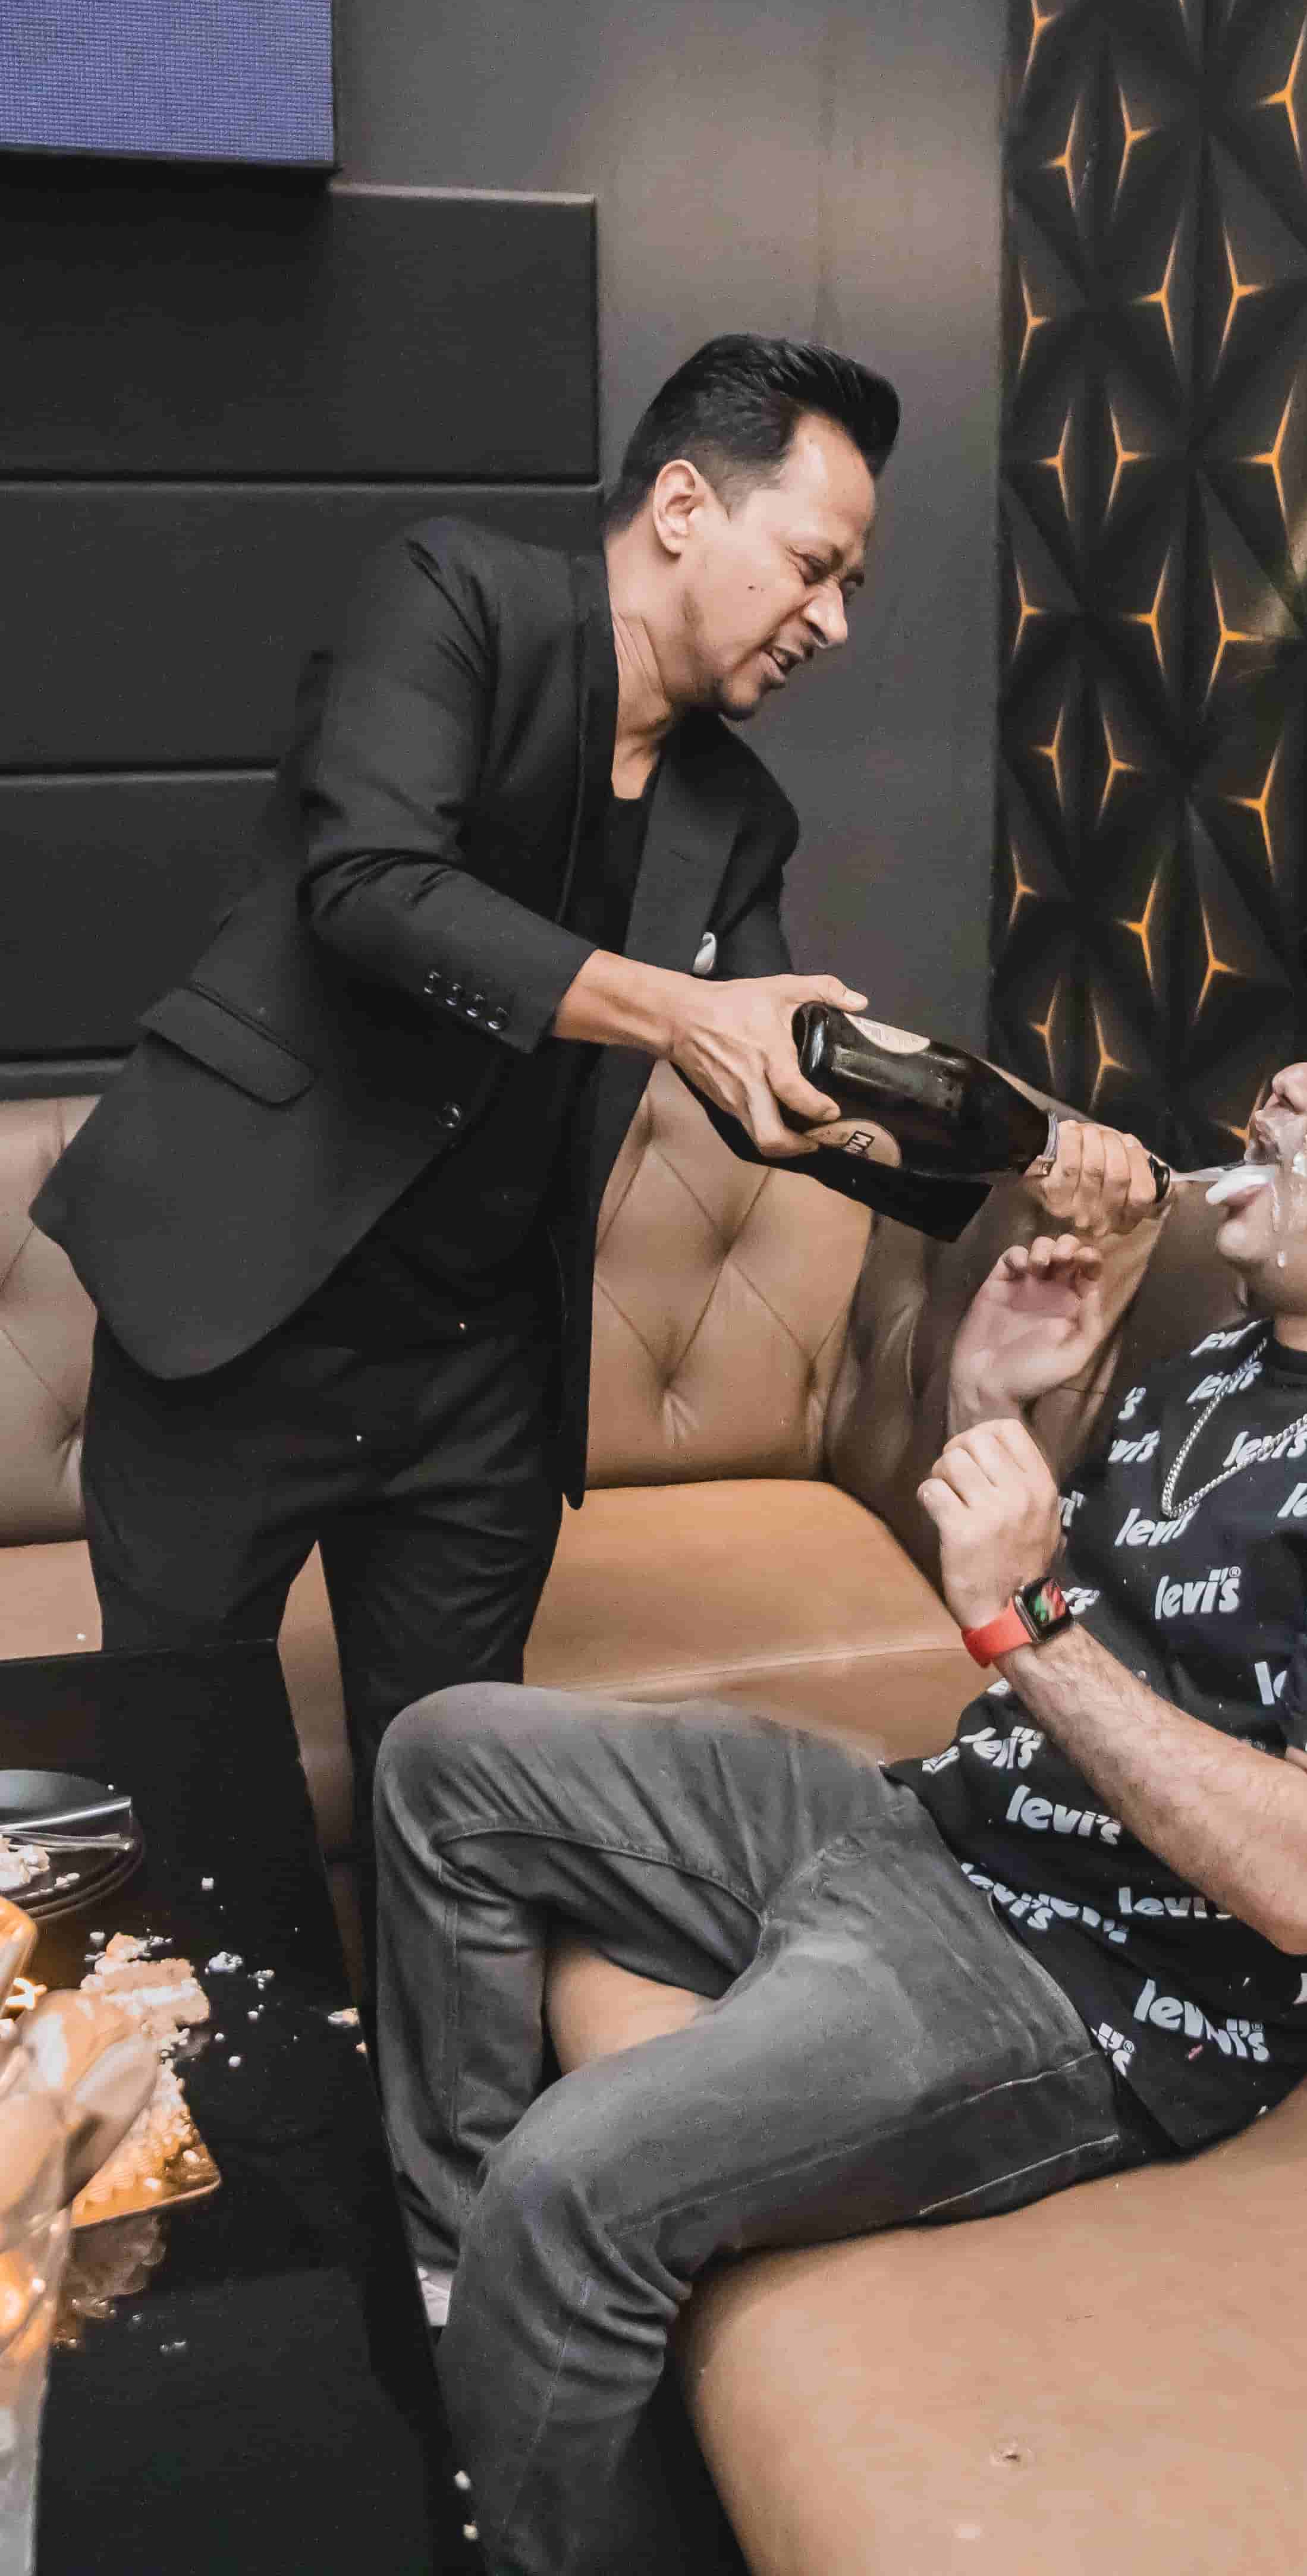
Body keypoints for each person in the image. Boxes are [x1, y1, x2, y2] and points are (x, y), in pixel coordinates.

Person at [373, 930, 1307, 2576]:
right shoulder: (1239, 1360)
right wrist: (995, 1394)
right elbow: (1052, 1576)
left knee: (577, 2176)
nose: (1290, 1084)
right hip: (938, 1828)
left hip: (1083, 1993)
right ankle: (461, 2293)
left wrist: (1025, 1622)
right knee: (449, 1757)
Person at [32, 333, 1156, 1906]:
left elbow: (785, 1077)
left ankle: (436, 2084)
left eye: (851, 588)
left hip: (478, 1377)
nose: (834, 622)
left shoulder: (735, 811)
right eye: (813, 567)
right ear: (683, 507)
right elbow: (373, 888)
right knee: (189, 1804)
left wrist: (1034, 1160)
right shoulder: (455, 598)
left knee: (456, 1815)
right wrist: (678, 1007)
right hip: (235, 1318)